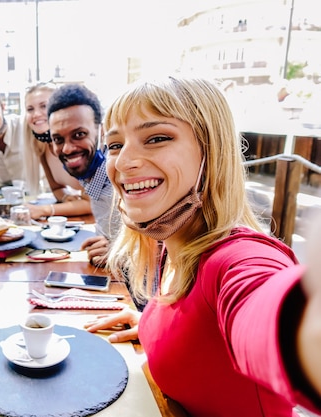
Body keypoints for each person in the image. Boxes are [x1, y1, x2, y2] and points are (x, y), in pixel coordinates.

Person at [85, 76, 321, 416]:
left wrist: (303, 327)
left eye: (157, 138)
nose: (122, 163)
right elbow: (203, 332)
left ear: (212, 152)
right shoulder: (174, 245)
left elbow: (265, 313)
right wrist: (152, 326)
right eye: (116, 144)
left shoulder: (238, 258)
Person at [44, 83, 121, 266]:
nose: (67, 148)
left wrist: (120, 254)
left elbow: (166, 248)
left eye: (79, 134)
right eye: (58, 140)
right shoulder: (95, 177)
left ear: (102, 131)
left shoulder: (123, 177)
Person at [21, 83, 93, 219]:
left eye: (44, 106)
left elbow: (92, 203)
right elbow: (56, 189)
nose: (36, 114)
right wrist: (66, 198)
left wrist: (44, 210)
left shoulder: (82, 144)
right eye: (30, 109)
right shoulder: (41, 146)